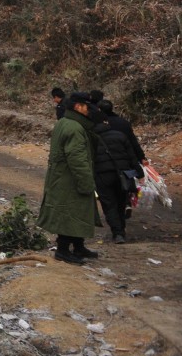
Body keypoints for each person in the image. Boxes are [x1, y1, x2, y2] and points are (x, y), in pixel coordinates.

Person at [37, 92, 103, 264]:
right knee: (69, 213)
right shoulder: (74, 128)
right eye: (88, 107)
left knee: (76, 213)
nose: (91, 111)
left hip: (62, 177)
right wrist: (86, 182)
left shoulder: (64, 123)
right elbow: (77, 159)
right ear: (78, 106)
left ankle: (78, 246)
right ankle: (63, 250)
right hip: (70, 179)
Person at [93, 116, 142, 244]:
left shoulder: (91, 139)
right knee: (121, 202)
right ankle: (122, 229)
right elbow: (132, 156)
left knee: (109, 205)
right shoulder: (120, 136)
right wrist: (140, 173)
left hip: (102, 175)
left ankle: (117, 232)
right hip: (122, 175)